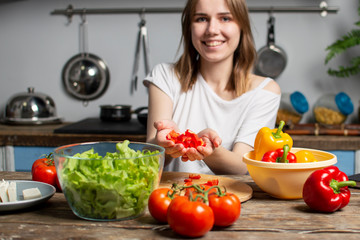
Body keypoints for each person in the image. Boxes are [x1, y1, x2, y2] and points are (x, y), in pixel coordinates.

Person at [143, 0, 281, 175]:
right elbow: (151, 158)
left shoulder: (265, 91)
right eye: (201, 19)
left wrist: (208, 150)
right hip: (171, 198)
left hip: (227, 200)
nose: (212, 30)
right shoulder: (164, 76)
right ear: (189, 28)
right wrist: (164, 142)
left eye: (225, 18)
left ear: (241, 26)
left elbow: (241, 167)